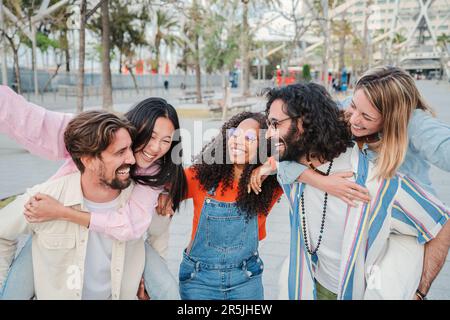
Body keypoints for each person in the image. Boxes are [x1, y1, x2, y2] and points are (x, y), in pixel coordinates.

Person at [255, 83, 449, 299]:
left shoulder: (372, 182)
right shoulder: (291, 166)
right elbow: (255, 151)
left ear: (303, 123)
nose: (267, 134)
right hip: (309, 285)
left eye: (274, 124)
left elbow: (442, 223)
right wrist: (318, 180)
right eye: (353, 107)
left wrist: (420, 292)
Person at [0, 86, 186, 299]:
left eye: (166, 141)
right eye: (151, 137)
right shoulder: (100, 135)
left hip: (121, 235)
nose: (155, 148)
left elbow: (132, 225)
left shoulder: (155, 171)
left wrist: (63, 212)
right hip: (55, 225)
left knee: (167, 289)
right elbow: (36, 123)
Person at [0, 111, 144, 299]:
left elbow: (158, 238)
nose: (132, 159)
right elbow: (2, 233)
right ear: (88, 160)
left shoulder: (138, 198)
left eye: (130, 148)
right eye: (120, 152)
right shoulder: (46, 198)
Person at [178, 112, 283, 300]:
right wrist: (163, 195)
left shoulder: (270, 186)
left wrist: (270, 166)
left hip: (246, 282)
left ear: (263, 146)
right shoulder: (201, 177)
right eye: (234, 134)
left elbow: (311, 154)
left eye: (250, 138)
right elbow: (162, 186)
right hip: (199, 282)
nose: (238, 141)